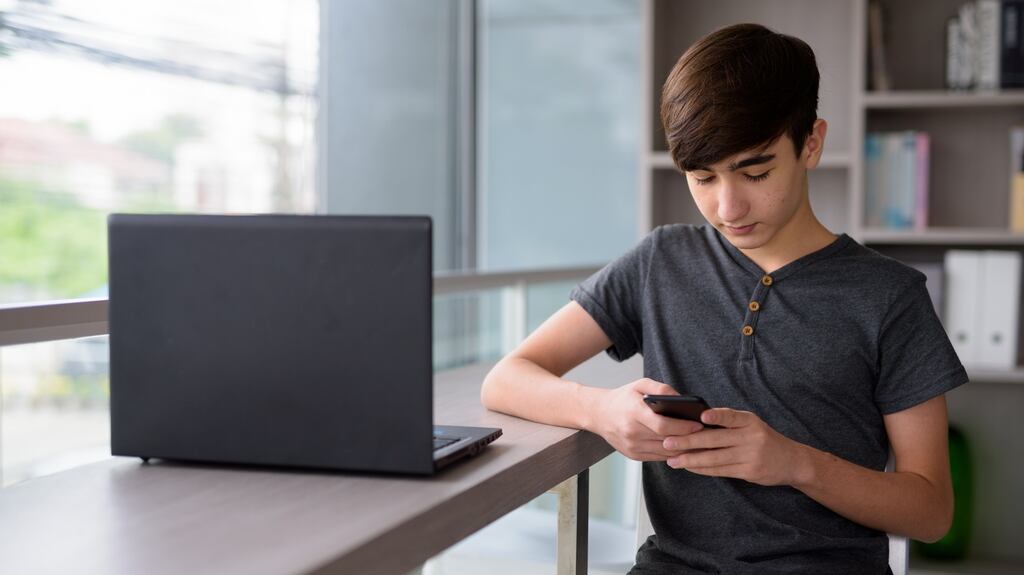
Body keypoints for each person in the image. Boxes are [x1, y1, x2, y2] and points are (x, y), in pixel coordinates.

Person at [480, 23, 968, 574]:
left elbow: (932, 512)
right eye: (702, 178)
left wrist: (794, 463)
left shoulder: (889, 296)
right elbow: (507, 379)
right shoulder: (662, 260)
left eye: (755, 172)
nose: (728, 208)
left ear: (811, 143)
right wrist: (603, 410)